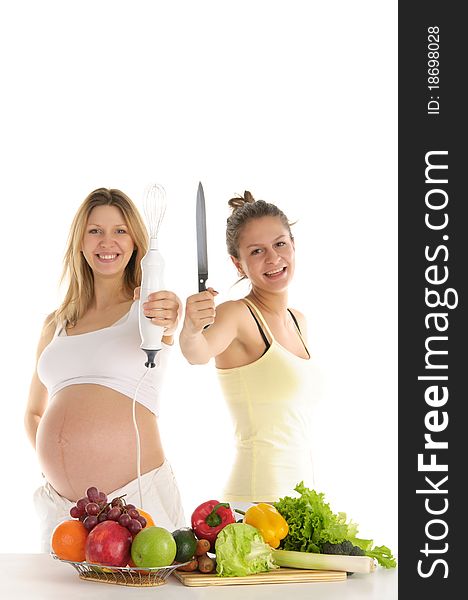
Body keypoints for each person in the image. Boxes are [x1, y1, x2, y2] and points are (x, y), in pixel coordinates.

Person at [24, 187, 186, 551]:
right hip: (66, 511)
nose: (107, 241)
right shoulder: (56, 323)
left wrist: (171, 311)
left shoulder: (149, 309)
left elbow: (170, 317)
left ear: (135, 243)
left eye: (120, 230)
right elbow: (34, 412)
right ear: (80, 241)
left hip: (135, 500)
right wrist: (61, 463)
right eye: (95, 230)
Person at [179, 191, 318, 505]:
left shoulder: (299, 321)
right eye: (256, 251)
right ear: (238, 264)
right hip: (257, 500)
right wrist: (191, 328)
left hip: (300, 497)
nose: (273, 258)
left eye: (280, 244)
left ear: (293, 245)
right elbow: (197, 352)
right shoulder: (236, 314)